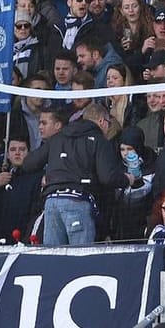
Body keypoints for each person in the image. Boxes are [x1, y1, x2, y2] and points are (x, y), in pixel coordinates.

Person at [21, 105, 125, 246]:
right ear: (102, 121)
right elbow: (107, 178)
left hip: (51, 203)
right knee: (79, 260)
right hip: (78, 201)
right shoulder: (99, 141)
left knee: (53, 258)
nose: (108, 128)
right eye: (109, 124)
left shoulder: (57, 138)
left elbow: (28, 163)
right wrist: (127, 179)